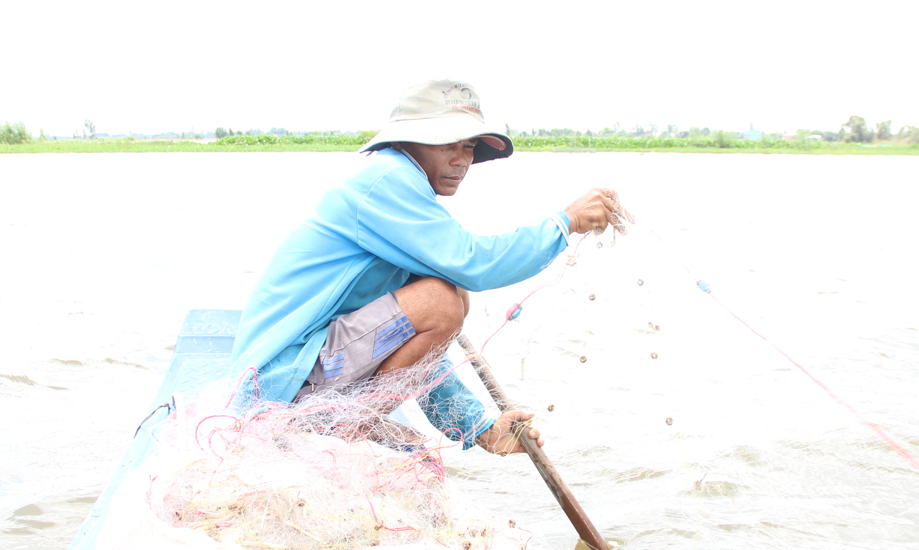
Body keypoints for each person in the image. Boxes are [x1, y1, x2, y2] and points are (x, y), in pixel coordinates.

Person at [230, 79, 624, 455]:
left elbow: (421, 350)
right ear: (408, 142)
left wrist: (480, 429)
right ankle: (348, 423)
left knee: (448, 292)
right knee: (443, 298)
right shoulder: (388, 178)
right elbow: (475, 264)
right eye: (446, 145)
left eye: (468, 147)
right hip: (277, 383)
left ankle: (354, 417)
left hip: (300, 372)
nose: (462, 160)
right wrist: (565, 222)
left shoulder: (399, 190)